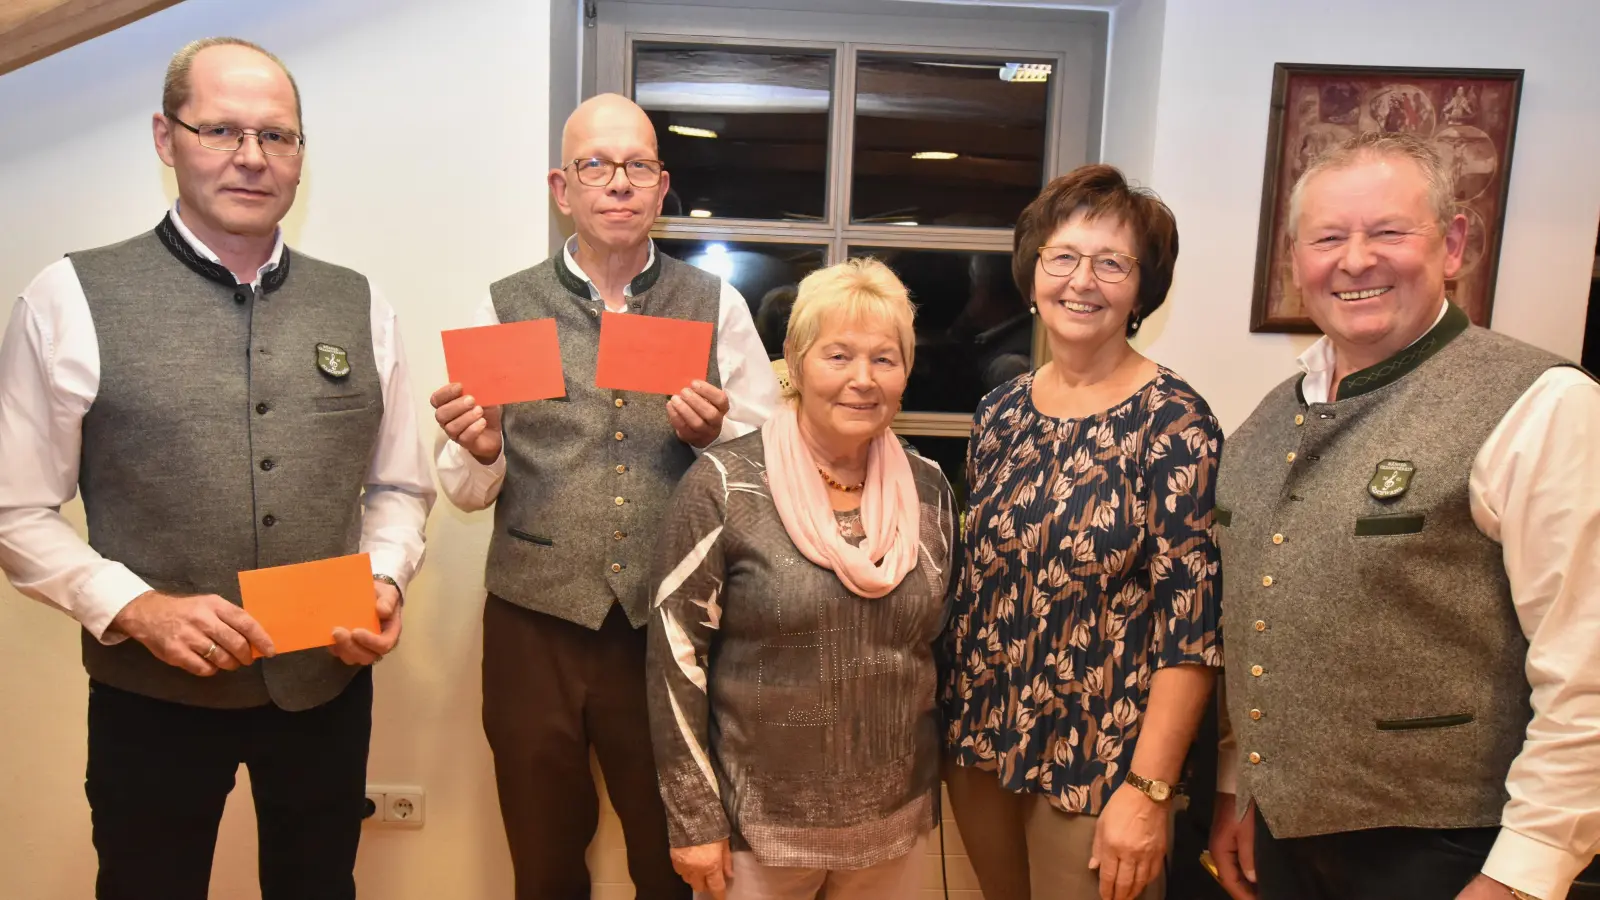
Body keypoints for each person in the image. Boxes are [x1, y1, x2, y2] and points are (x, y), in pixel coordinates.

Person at [0, 37, 434, 900]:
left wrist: (384, 579)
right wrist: (136, 608)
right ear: (166, 138)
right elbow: (14, 509)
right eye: (222, 130)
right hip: (150, 702)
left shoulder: (361, 302)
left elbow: (398, 487)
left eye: (277, 136)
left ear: (301, 154)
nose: (252, 157)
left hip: (324, 691)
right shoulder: (70, 296)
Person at [1206, 131, 1600, 900]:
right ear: (1296, 260)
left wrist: (1523, 873)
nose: (1355, 260)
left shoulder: (1544, 404)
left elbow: (1586, 661)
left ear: (1452, 244)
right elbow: (1253, 621)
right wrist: (1240, 788)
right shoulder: (1264, 423)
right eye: (1328, 238)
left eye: (1388, 231)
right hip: (1283, 843)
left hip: (1451, 855)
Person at [430, 93, 780, 900]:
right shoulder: (506, 306)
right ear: (563, 188)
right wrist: (481, 448)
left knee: (676, 859)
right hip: (532, 624)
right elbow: (463, 488)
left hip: (668, 627)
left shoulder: (715, 304)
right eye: (596, 166)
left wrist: (713, 437)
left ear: (662, 187)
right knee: (543, 859)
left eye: (638, 167)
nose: (619, 183)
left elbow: (765, 464)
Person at [940, 164, 1224, 900]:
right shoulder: (1001, 413)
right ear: (1032, 273)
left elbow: (1192, 631)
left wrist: (1150, 790)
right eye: (1062, 256)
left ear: (1143, 290)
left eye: (1112, 263)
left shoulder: (1176, 422)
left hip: (1102, 759)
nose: (1081, 281)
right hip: (981, 741)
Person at [645, 258, 957, 900]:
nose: (862, 380)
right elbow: (675, 659)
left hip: (894, 827)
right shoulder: (724, 485)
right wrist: (694, 819)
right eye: (838, 356)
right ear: (794, 360)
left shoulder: (929, 489)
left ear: (906, 370)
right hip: (756, 835)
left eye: (885, 359)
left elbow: (942, 647)